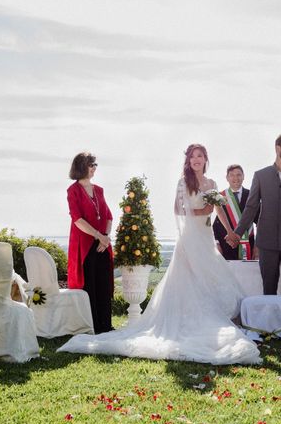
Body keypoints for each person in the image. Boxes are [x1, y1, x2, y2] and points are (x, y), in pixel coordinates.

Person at [58, 144, 261, 365]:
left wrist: (230, 231)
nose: (196, 160)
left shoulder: (212, 184)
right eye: (193, 157)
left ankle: (221, 318)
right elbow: (177, 209)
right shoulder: (183, 182)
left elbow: (218, 209)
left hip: (205, 235)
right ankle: (188, 320)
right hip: (190, 237)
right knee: (189, 279)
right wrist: (199, 212)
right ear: (188, 160)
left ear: (205, 159)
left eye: (200, 156)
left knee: (212, 275)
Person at [227, 133, 281, 301]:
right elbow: (251, 207)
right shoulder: (260, 175)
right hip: (267, 242)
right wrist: (237, 233)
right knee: (269, 290)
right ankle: (272, 326)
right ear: (277, 148)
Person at [66, 152, 114, 334]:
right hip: (85, 246)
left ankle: (106, 325)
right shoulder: (73, 191)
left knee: (104, 284)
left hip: (102, 243)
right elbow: (77, 219)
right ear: (81, 166)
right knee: (90, 286)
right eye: (91, 164)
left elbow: (108, 216)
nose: (94, 167)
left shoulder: (99, 190)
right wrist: (98, 236)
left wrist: (105, 237)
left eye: (95, 164)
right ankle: (92, 327)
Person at [213, 164, 256, 260]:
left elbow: (260, 222)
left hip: (248, 244)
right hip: (226, 245)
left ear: (243, 176)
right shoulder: (219, 196)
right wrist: (217, 244)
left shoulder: (252, 195)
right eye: (232, 175)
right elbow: (215, 224)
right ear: (227, 178)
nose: (235, 178)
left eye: (238, 175)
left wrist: (258, 247)